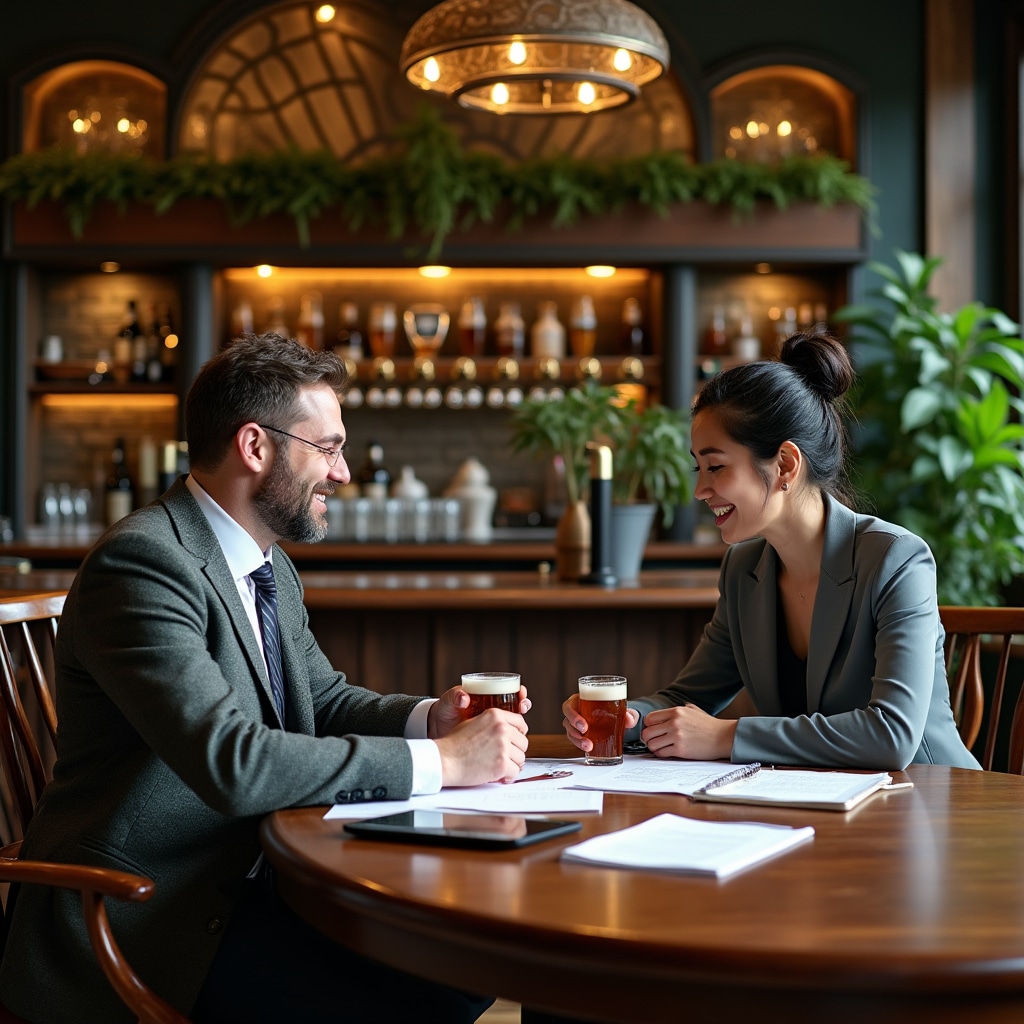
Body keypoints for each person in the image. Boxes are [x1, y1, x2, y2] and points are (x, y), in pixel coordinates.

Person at [0, 334, 530, 1023]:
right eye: (328, 447)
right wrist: (443, 762)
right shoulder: (144, 565)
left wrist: (429, 719)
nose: (343, 473)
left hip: (254, 881)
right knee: (422, 1002)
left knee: (463, 971)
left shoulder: (265, 563)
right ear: (256, 446)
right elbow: (232, 762)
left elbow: (324, 698)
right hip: (148, 911)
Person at [562, 331, 980, 771]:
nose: (701, 490)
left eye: (716, 467)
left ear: (785, 464)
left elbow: (891, 736)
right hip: (822, 804)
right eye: (698, 467)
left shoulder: (897, 561)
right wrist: (619, 719)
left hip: (932, 806)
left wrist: (727, 734)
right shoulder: (744, 570)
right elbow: (687, 699)